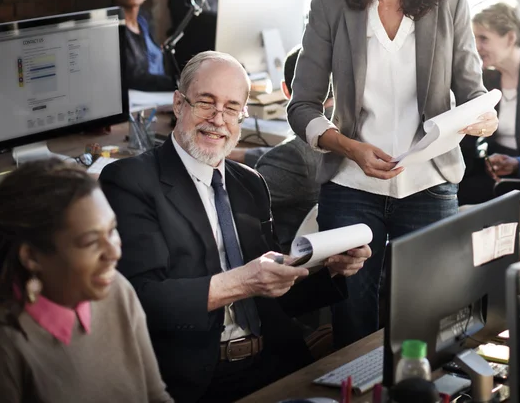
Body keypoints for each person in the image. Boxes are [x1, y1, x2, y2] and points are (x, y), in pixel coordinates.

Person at [287, 0, 498, 350]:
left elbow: (474, 95)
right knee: (353, 322)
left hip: (428, 185)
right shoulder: (330, 4)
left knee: (430, 321)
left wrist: (484, 119)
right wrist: (349, 147)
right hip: (351, 186)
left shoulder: (451, 2)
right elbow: (301, 106)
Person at [100, 51, 371, 403]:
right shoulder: (131, 180)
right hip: (195, 379)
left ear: (243, 116)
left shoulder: (250, 184)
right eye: (205, 103)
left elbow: (273, 296)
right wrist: (242, 281)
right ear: (179, 104)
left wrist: (331, 271)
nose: (217, 119)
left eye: (231, 108)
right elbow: (141, 299)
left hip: (274, 363)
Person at [0, 160, 172, 403]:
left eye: (112, 230)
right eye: (90, 242)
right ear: (32, 257)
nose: (114, 253)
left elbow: (155, 396)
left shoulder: (117, 290)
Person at [231, 45, 325, 251]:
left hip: (282, 263)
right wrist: (237, 154)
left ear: (285, 89)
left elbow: (230, 197)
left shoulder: (296, 157)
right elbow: (287, 156)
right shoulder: (345, 135)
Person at [458, 0, 520, 202]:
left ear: (510, 38)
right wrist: (486, 160)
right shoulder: (485, 80)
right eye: (473, 38)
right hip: (493, 174)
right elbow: (471, 143)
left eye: (483, 38)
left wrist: (519, 164)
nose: (476, 47)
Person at [108, 0, 175, 91]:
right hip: (138, 102)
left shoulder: (144, 20)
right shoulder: (110, 29)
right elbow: (134, 78)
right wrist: (177, 83)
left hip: (160, 97)